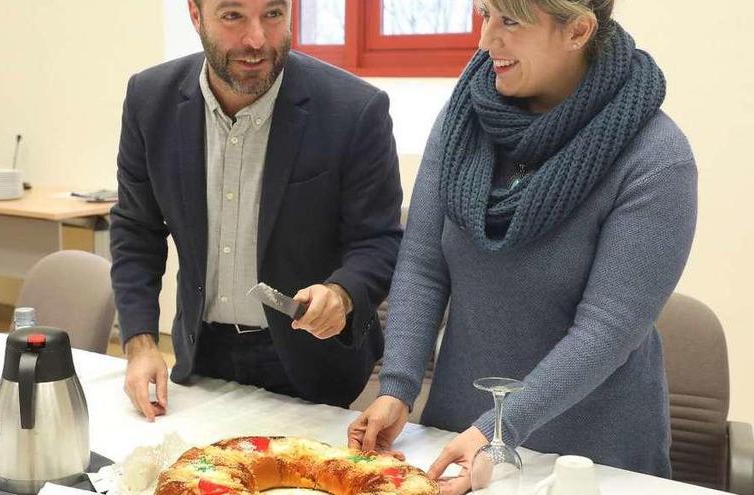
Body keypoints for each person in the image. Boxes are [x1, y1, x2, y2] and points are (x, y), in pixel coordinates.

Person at [348, 0, 696, 492]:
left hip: (590, 460)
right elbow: (424, 266)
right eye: (484, 14)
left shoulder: (656, 158)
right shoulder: (461, 122)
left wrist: (498, 430)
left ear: (577, 31)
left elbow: (608, 330)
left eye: (510, 21)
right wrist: (398, 386)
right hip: (457, 435)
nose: (486, 40)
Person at [110, 0, 403, 421]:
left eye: (273, 14)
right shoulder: (149, 99)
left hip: (311, 365)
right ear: (196, 15)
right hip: (201, 352)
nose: (256, 39)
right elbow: (136, 228)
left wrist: (341, 293)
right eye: (233, 16)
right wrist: (140, 343)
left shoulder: (353, 110)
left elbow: (378, 240)